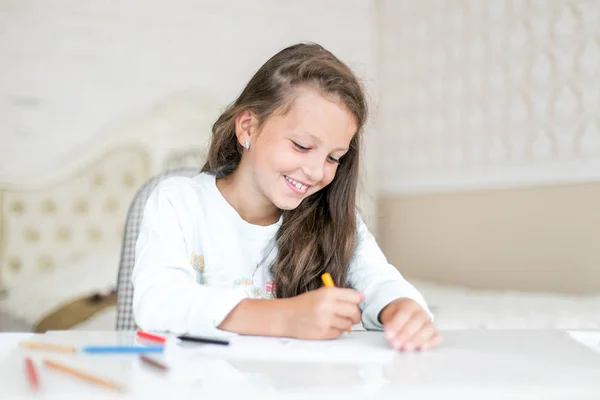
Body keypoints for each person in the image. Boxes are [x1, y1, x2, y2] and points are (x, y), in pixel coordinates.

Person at [132, 42, 440, 352]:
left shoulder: (333, 219)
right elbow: (157, 302)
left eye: (334, 158)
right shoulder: (178, 202)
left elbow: (381, 282)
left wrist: (402, 308)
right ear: (248, 128)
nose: (316, 171)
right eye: (303, 146)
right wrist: (284, 317)